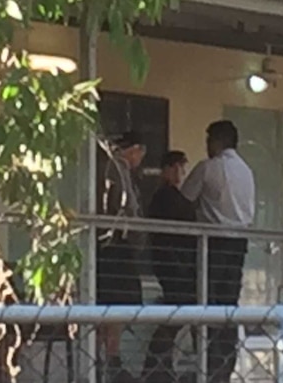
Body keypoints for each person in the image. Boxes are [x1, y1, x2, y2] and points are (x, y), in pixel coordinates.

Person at [181, 120, 255, 383]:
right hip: (239, 243)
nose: (206, 145)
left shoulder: (208, 168)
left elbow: (184, 200)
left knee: (205, 303)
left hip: (211, 243)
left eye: (209, 139)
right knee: (228, 306)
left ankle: (207, 364)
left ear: (218, 141)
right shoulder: (247, 171)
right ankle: (225, 366)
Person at [96, 131, 147, 383]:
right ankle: (108, 362)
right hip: (115, 246)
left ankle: (109, 360)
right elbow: (120, 205)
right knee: (114, 305)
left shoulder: (118, 168)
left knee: (116, 307)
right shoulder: (115, 167)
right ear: (133, 149)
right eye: (141, 151)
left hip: (118, 245)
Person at [143, 151, 197, 383]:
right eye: (174, 167)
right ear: (165, 169)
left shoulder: (173, 195)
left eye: (181, 168)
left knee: (181, 312)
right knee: (179, 311)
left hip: (179, 261)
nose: (178, 173)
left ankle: (159, 365)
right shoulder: (163, 196)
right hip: (172, 262)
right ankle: (155, 365)